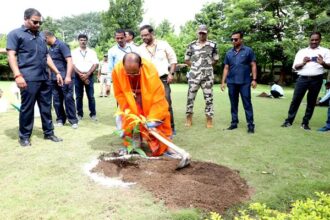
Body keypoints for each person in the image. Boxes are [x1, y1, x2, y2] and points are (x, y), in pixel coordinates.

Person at [6, 8, 63, 147]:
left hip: (45, 77)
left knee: (46, 107)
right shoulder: (15, 34)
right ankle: (24, 137)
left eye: (40, 22)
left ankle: (49, 133)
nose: (38, 25)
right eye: (35, 22)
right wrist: (17, 75)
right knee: (27, 108)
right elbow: (11, 55)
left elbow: (46, 56)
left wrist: (57, 72)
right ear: (25, 19)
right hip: (28, 78)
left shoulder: (41, 36)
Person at [112, 52, 172, 156]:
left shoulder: (150, 70)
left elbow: (157, 97)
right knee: (130, 119)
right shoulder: (117, 70)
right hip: (129, 99)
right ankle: (133, 144)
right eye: (128, 73)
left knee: (160, 118)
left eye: (134, 73)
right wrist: (130, 110)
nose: (131, 76)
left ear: (141, 66)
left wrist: (153, 118)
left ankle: (165, 146)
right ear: (123, 65)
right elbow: (120, 94)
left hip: (149, 99)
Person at [281, 32, 330, 130]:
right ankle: (289, 121)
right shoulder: (302, 51)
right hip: (302, 79)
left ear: (320, 40)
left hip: (317, 79)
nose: (314, 42)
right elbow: (295, 67)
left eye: (316, 40)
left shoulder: (326, 51)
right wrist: (303, 62)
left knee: (311, 102)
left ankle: (305, 123)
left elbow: (329, 66)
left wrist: (323, 63)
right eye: (312, 40)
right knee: (295, 100)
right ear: (309, 40)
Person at [139, 25, 177, 133]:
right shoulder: (140, 49)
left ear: (152, 34)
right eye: (142, 36)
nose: (144, 38)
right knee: (150, 105)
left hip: (163, 79)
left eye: (146, 35)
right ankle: (154, 128)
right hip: (147, 81)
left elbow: (173, 60)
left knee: (166, 103)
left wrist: (171, 74)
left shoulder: (163, 44)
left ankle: (171, 128)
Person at [221, 31, 257, 134]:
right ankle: (234, 123)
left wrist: (254, 79)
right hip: (231, 82)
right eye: (232, 39)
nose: (233, 41)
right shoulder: (229, 53)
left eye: (235, 39)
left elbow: (253, 65)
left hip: (245, 82)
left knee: (247, 104)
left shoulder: (248, 51)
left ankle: (250, 125)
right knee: (233, 104)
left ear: (241, 39)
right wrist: (223, 82)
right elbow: (226, 68)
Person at [184, 25, 219, 128]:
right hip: (194, 75)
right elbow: (186, 59)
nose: (202, 34)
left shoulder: (213, 45)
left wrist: (207, 66)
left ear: (207, 33)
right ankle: (189, 117)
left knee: (209, 98)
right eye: (200, 32)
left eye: (204, 33)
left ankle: (209, 118)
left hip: (207, 76)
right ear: (197, 32)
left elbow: (216, 59)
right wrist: (195, 66)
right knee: (190, 97)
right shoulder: (191, 45)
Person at [44, 31, 78, 129]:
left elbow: (70, 61)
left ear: (47, 37)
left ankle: (73, 120)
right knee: (57, 100)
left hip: (65, 77)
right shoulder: (50, 48)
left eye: (44, 40)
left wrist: (67, 76)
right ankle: (60, 119)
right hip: (54, 79)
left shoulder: (61, 45)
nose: (44, 42)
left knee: (68, 99)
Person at [72, 34, 99, 121]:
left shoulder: (92, 52)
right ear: (78, 41)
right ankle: (79, 114)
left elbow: (95, 64)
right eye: (81, 40)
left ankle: (93, 114)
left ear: (87, 41)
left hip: (89, 76)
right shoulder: (74, 52)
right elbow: (72, 65)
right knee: (78, 96)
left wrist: (87, 74)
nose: (83, 41)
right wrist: (80, 74)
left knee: (91, 96)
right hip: (77, 76)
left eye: (84, 40)